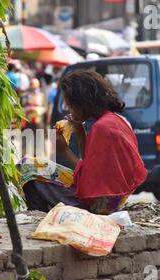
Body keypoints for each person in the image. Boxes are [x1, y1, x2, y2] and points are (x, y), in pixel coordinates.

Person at [19, 69, 147, 214]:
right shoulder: (115, 119)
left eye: (71, 106)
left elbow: (87, 182)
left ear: (82, 102)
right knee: (30, 164)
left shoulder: (102, 128)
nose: (70, 111)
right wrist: (79, 131)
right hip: (111, 198)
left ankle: (41, 216)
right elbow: (92, 167)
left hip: (99, 205)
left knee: (27, 169)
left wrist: (64, 151)